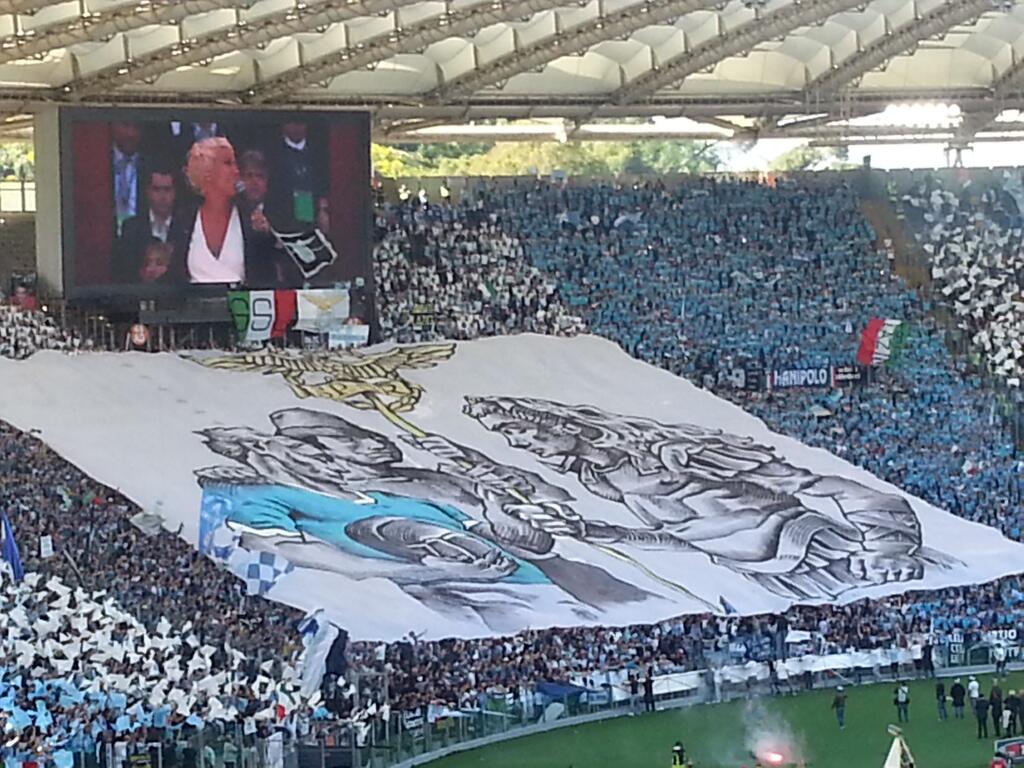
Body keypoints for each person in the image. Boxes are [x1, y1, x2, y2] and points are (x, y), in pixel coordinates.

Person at [180, 137, 260, 285]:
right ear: (207, 172)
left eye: (236, 164)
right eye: (228, 163)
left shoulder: (249, 219)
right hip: (194, 299)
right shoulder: (185, 219)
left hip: (240, 299)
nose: (236, 171)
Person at [115, 168, 179, 283]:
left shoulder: (186, 227)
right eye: (156, 189)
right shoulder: (131, 228)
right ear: (148, 192)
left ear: (175, 193)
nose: (162, 196)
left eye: (167, 190)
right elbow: (126, 271)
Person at [111, 121, 142, 235]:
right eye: (125, 125)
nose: (131, 134)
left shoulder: (149, 164)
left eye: (136, 127)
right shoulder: (99, 160)